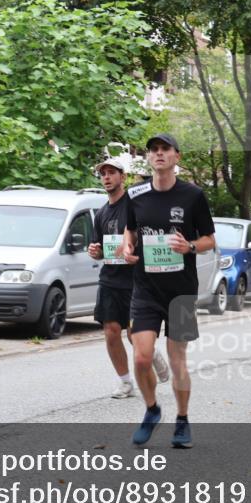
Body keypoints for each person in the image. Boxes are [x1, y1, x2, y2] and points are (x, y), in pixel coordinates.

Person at [121, 133, 216, 448]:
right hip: (145, 288)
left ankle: (183, 420)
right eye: (154, 150)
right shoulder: (135, 195)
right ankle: (151, 409)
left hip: (180, 291)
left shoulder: (193, 196)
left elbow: (209, 241)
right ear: (149, 158)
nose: (159, 154)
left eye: (165, 150)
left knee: (177, 360)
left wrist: (188, 245)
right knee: (142, 357)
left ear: (177, 157)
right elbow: (130, 230)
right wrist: (126, 246)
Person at [88, 158, 169, 399]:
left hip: (136, 279)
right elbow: (99, 247)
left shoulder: (135, 204)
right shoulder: (101, 213)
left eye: (111, 172)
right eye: (102, 173)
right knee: (112, 331)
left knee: (135, 334)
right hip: (110, 279)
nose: (106, 177)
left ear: (122, 177)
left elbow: (151, 232)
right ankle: (125, 382)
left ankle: (152, 354)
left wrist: (133, 246)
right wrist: (95, 251)